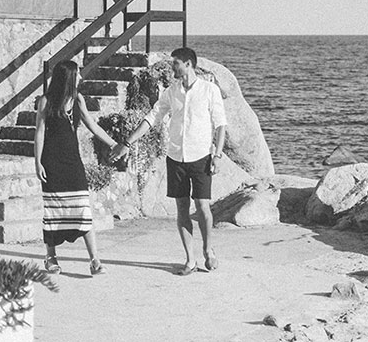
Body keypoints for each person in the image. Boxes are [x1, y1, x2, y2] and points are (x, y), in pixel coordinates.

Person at [109, 47, 227, 275]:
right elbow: (152, 117)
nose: (172, 67)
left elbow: (221, 124)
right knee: (182, 208)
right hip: (176, 157)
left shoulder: (209, 90)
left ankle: (208, 250)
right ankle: (190, 260)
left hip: (201, 156)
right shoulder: (172, 91)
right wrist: (128, 141)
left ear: (188, 64)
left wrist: (218, 155)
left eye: (176, 63)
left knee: (203, 207)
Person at [35, 59, 120, 276]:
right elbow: (40, 133)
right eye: (78, 74)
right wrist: (37, 162)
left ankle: (95, 260)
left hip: (73, 163)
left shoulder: (78, 100)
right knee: (53, 213)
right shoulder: (46, 101)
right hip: (52, 163)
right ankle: (51, 257)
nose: (81, 77)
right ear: (69, 77)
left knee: (83, 210)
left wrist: (114, 144)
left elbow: (92, 125)